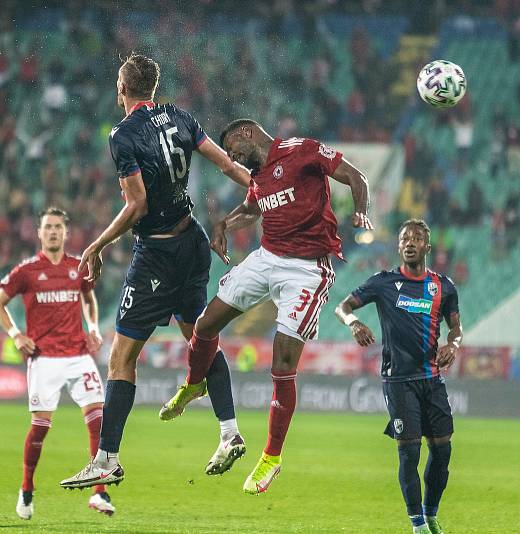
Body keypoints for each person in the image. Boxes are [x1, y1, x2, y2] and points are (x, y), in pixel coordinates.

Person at [59, 54, 253, 490]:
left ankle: (106, 459)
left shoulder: (122, 136)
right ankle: (229, 431)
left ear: (122, 89)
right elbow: (225, 164)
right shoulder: (180, 116)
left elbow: (137, 204)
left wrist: (96, 244)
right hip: (193, 243)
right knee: (201, 339)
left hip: (158, 255)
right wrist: (264, 187)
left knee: (121, 358)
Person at [159, 118, 372, 495]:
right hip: (266, 258)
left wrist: (360, 212)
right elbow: (251, 209)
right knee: (206, 324)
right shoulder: (259, 178)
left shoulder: (301, 151)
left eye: (233, 150)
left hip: (307, 270)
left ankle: (271, 457)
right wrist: (224, 223)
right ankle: (194, 384)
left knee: (282, 363)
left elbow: (356, 177)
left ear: (245, 135)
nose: (232, 159)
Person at [334, 219, 462, 534]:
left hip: (432, 379)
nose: (410, 242)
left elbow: (456, 329)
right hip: (398, 379)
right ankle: (417, 524)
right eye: (405, 237)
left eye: (417, 238)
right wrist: (354, 323)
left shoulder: (443, 287)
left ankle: (431, 514)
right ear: (399, 245)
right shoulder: (383, 283)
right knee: (409, 451)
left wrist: (453, 344)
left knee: (442, 450)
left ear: (427, 247)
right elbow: (343, 306)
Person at [0, 207, 113, 519]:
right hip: (44, 359)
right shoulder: (27, 271)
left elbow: (89, 297)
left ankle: (100, 493)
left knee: (99, 421)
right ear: (39, 233)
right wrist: (16, 335)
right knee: (40, 429)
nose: (54, 232)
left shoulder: (77, 267)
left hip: (78, 356)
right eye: (48, 227)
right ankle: (27, 489)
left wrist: (94, 328)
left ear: (66, 233)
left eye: (58, 227)